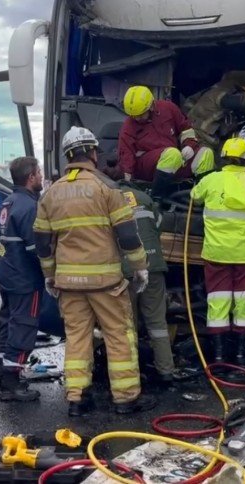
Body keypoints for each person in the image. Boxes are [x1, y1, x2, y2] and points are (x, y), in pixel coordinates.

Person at [34, 126, 157, 417]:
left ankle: (77, 399)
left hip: (68, 283)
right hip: (106, 283)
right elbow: (127, 235)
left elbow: (42, 242)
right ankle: (125, 399)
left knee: (77, 337)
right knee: (118, 335)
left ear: (67, 156)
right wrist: (140, 268)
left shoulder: (50, 194)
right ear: (91, 152)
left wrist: (50, 275)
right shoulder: (107, 189)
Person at [190, 138, 245, 364]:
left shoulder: (211, 180)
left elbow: (194, 196)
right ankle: (241, 356)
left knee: (218, 300)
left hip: (217, 253)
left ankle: (218, 357)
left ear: (223, 157)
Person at [101, 160, 176, 384]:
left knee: (127, 326)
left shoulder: (106, 199)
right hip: (153, 266)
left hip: (126, 271)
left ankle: (132, 375)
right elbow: (160, 223)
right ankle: (166, 372)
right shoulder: (143, 197)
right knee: (157, 324)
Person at [0, 157, 45, 402]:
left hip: (6, 275)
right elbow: (37, 249)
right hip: (25, 279)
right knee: (23, 327)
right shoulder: (30, 207)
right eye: (40, 172)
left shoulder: (6, 203)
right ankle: (11, 384)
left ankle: (1, 377)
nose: (42, 176)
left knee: (8, 325)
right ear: (31, 176)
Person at [118, 85, 215, 199]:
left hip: (173, 162)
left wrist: (189, 145)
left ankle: (201, 197)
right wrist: (128, 179)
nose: (137, 119)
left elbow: (186, 129)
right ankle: (156, 198)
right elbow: (126, 154)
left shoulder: (168, 108)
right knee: (172, 154)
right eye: (134, 116)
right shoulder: (128, 126)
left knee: (205, 153)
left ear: (151, 106)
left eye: (140, 114)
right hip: (148, 169)